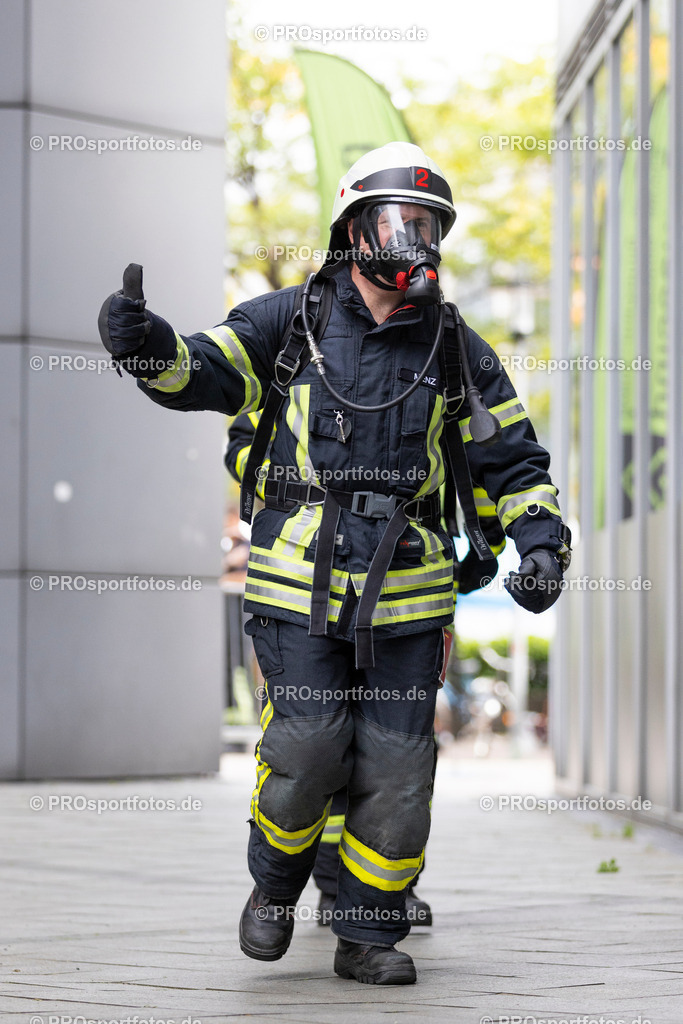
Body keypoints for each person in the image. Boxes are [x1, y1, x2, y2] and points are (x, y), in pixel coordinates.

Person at [98, 141, 571, 986]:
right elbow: (200, 372)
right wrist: (145, 347)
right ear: (353, 231)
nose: (415, 240)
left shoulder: (456, 347)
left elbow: (511, 462)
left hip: (410, 594)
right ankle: (274, 888)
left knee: (397, 771)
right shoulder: (286, 322)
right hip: (295, 587)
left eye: (430, 225)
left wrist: (539, 542)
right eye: (400, 221)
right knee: (310, 745)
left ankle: (366, 935)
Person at [224, 411, 508, 929]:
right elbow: (246, 446)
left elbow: (482, 460)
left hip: (412, 581)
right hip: (303, 585)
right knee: (316, 744)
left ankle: (378, 901)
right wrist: (309, 478)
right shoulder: (295, 344)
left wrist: (484, 538)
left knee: (395, 755)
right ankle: (326, 886)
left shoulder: (439, 354)